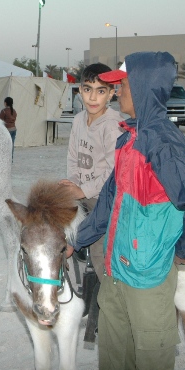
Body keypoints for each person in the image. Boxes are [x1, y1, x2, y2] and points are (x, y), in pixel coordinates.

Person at [66, 52, 185, 370]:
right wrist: (76, 240)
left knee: (151, 366)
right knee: (113, 363)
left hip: (148, 280)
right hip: (115, 276)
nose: (118, 93)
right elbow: (108, 203)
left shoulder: (164, 146)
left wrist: (184, 250)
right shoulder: (129, 139)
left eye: (122, 85)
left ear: (142, 88)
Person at [59, 63, 123, 280]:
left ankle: (106, 287)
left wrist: (83, 191)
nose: (93, 98)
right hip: (82, 190)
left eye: (101, 91)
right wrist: (72, 184)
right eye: (88, 90)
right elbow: (73, 158)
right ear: (80, 90)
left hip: (104, 197)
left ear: (111, 93)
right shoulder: (78, 120)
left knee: (98, 248)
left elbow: (113, 172)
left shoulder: (112, 125)